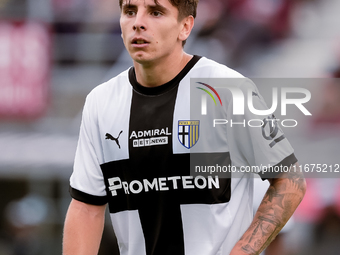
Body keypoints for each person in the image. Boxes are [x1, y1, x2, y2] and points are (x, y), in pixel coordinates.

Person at [62, 0, 306, 255]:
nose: (138, 23)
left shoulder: (229, 90)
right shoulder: (100, 103)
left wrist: (243, 252)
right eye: (130, 11)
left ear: (185, 27)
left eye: (156, 12)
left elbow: (290, 180)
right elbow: (86, 208)